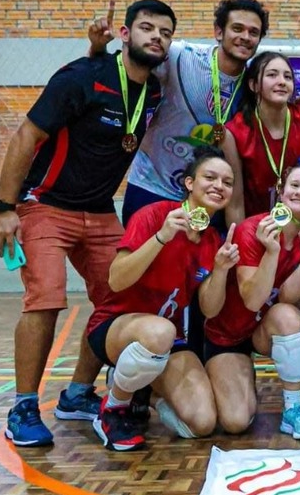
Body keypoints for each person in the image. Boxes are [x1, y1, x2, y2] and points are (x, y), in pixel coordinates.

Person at [0, 0, 175, 447]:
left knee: (121, 299)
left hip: (100, 209)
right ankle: (24, 407)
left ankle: (76, 394)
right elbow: (26, 136)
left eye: (165, 32)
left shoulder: (152, 91)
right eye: (146, 28)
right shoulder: (81, 78)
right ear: (126, 34)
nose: (156, 37)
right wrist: (4, 207)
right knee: (46, 300)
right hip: (45, 206)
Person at [85, 148, 239, 451]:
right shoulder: (155, 216)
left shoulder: (211, 239)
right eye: (210, 177)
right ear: (190, 183)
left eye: (227, 182)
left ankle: (144, 388)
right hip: (117, 328)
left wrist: (220, 271)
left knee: (203, 423)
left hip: (167, 342)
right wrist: (160, 238)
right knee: (160, 332)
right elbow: (116, 279)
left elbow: (209, 309)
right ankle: (113, 407)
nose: (219, 186)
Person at [89, 0, 268, 222]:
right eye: (237, 28)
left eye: (253, 32)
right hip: (152, 186)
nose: (245, 37)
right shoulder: (180, 56)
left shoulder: (256, 80)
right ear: (219, 32)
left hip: (204, 194)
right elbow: (119, 75)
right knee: (142, 256)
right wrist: (97, 48)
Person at [203, 165, 300, 439]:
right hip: (228, 335)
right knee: (235, 422)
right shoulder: (252, 229)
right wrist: (272, 252)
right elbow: (252, 300)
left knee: (289, 316)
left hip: (262, 330)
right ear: (281, 191)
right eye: (294, 185)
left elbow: (286, 299)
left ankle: (293, 410)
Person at [219, 50, 300, 225]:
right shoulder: (234, 132)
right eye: (272, 75)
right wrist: (241, 242)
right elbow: (235, 203)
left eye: (288, 77)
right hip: (257, 230)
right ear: (254, 85)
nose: (282, 82)